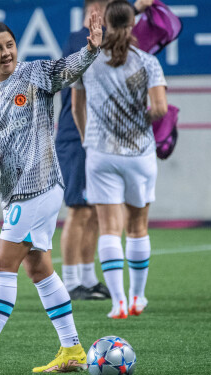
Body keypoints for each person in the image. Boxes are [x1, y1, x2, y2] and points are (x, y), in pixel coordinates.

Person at [0, 16, 102, 372]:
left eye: (9, 45)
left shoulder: (35, 74)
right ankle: (72, 349)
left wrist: (91, 48)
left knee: (3, 265)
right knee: (39, 268)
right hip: (14, 190)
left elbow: (67, 69)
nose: (5, 53)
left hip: (40, 182)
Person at [72, 0, 167, 318]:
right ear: (133, 24)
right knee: (138, 227)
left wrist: (88, 140)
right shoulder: (147, 62)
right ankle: (138, 297)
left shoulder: (87, 60)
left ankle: (118, 302)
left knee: (109, 229)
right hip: (139, 153)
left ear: (106, 23)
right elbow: (160, 109)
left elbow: (76, 108)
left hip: (100, 153)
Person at [55, 0, 111, 301]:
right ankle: (70, 281)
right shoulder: (81, 40)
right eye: (104, 6)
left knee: (94, 212)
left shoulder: (105, 38)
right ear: (92, 10)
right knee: (78, 210)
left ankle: (88, 279)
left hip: (97, 136)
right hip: (75, 135)